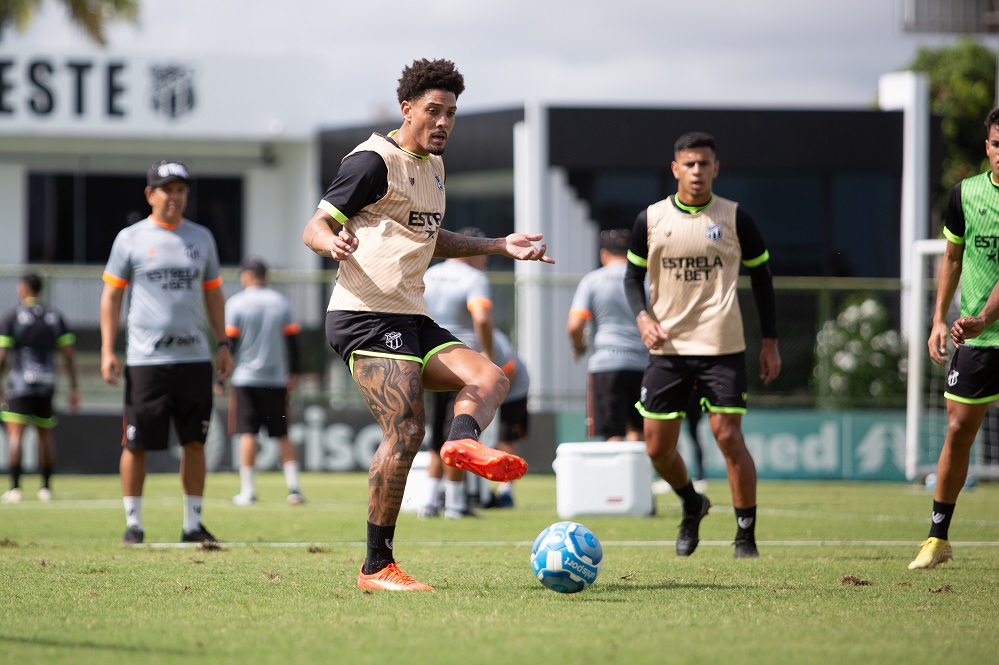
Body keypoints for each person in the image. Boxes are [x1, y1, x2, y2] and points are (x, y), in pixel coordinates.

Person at [300, 58, 554, 591]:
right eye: (433, 111)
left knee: (491, 378)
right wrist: (332, 241)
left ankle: (461, 441)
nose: (443, 122)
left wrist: (497, 245)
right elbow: (316, 225)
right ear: (407, 109)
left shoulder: (434, 168)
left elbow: (431, 236)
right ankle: (376, 566)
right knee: (407, 428)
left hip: (412, 316)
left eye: (452, 114)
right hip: (364, 316)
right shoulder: (373, 161)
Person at [624, 131, 780, 560]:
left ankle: (745, 535)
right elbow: (630, 278)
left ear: (716, 168)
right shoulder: (651, 219)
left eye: (704, 163)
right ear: (675, 168)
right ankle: (692, 503)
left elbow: (762, 279)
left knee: (727, 436)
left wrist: (770, 342)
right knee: (656, 447)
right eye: (689, 164)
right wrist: (643, 317)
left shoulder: (735, 218)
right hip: (668, 348)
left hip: (722, 344)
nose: (697, 171)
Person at [100, 160, 233, 545]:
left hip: (194, 359)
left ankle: (193, 523)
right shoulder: (130, 238)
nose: (175, 197)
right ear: (150, 195)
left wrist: (222, 343)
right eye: (167, 189)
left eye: (181, 190)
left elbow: (213, 292)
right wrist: (108, 349)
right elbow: (112, 295)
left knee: (195, 441)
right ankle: (133, 523)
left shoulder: (202, 237)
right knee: (136, 442)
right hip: (146, 361)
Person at [910, 106, 999, 570]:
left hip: (984, 325)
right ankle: (937, 538)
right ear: (987, 146)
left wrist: (983, 316)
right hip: (978, 341)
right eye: (998, 144)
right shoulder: (965, 195)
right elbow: (951, 257)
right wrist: (939, 318)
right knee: (958, 430)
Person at [421, 226, 494, 520]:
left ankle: (427, 501)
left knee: (436, 432)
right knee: (459, 434)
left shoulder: (429, 273)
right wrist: (487, 355)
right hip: (463, 363)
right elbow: (482, 318)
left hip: (429, 359)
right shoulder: (475, 278)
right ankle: (454, 503)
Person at [225, 256, 305, 507]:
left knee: (247, 433)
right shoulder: (280, 302)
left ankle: (248, 491)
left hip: (245, 379)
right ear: (265, 276)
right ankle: (294, 489)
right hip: (275, 379)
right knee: (282, 434)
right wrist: (293, 372)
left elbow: (230, 344)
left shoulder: (236, 303)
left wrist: (221, 377)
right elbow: (293, 342)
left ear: (246, 276)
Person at [0, 273, 80, 503]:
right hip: (47, 383)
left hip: (20, 384)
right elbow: (68, 355)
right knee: (45, 437)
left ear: (24, 288)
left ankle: (15, 488)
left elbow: (2, 357)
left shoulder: (13, 316)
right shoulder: (54, 316)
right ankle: (45, 487)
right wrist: (74, 387)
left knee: (16, 435)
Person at [567, 229, 648, 441]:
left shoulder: (593, 280)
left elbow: (575, 325)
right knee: (639, 431)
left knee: (613, 433)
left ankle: (618, 475)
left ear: (604, 254)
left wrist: (578, 347)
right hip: (644, 363)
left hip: (606, 364)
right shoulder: (647, 280)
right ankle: (637, 475)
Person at [484, 328, 530, 509]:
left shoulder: (494, 338)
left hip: (514, 390)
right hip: (489, 390)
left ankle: (506, 492)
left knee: (506, 439)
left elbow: (510, 370)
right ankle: (480, 490)